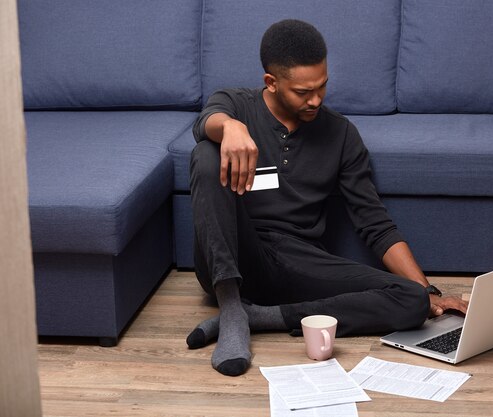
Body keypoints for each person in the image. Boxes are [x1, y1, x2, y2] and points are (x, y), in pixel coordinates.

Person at [187, 19, 468, 377]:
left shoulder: (341, 134)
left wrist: (426, 289)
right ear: (271, 83)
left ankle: (259, 317)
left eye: (322, 87)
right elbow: (205, 122)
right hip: (231, 254)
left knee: (413, 302)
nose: (316, 100)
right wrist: (230, 127)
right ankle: (230, 308)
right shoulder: (235, 105)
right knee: (206, 154)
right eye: (303, 92)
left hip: (297, 262)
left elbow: (375, 223)